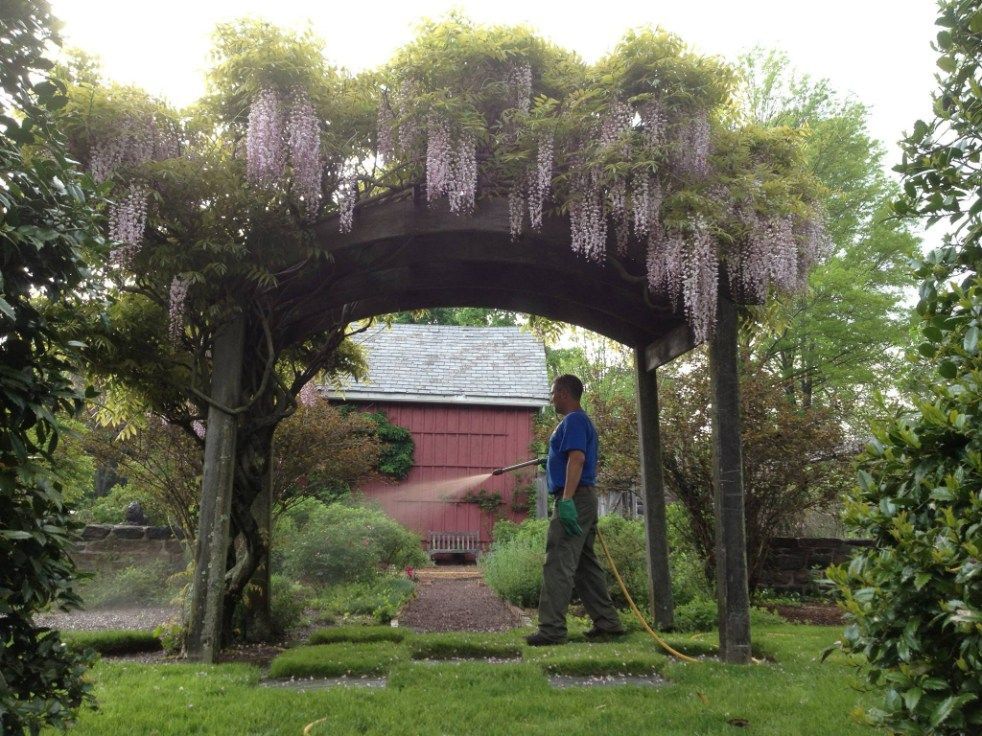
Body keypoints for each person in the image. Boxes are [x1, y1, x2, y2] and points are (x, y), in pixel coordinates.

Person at [525, 374, 625, 646]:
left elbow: (578, 459)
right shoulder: (575, 422)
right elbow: (572, 457)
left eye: (553, 392)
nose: (551, 397)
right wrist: (553, 460)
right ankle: (608, 624)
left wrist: (567, 499)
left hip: (575, 499)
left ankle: (551, 630)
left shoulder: (574, 420)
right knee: (583, 564)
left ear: (564, 393)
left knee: (558, 562)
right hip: (582, 498)